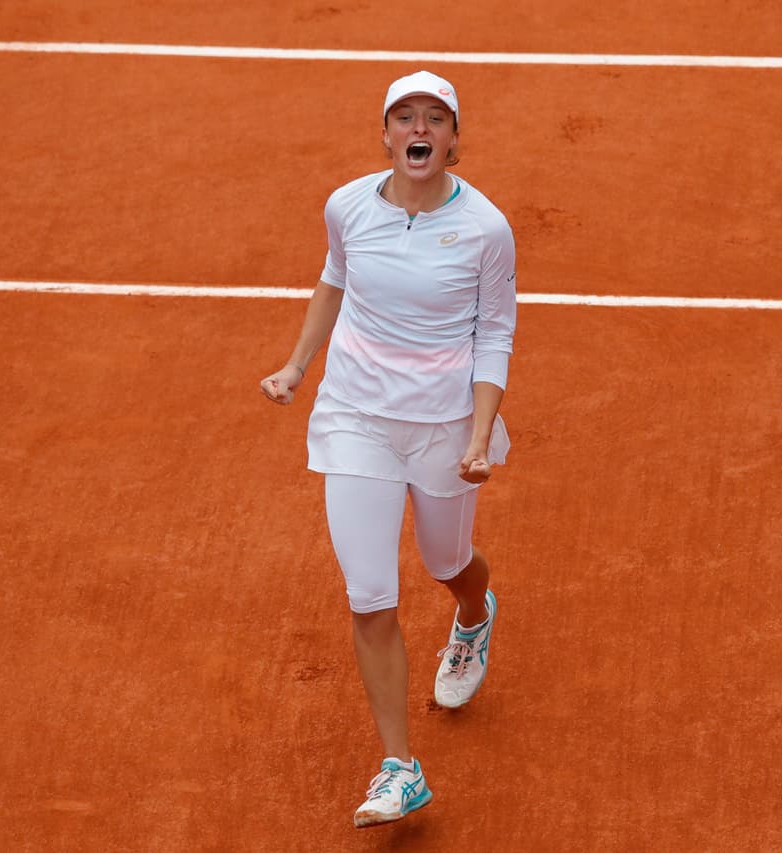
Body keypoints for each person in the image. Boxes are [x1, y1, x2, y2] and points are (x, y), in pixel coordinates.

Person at [259, 70, 517, 828]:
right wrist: (298, 367)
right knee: (369, 594)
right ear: (385, 133)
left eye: (436, 118)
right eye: (405, 116)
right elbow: (332, 280)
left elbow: (495, 333)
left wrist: (477, 435)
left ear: (453, 140)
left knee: (446, 563)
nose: (420, 128)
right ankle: (400, 767)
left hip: (442, 427)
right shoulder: (347, 205)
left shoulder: (486, 229)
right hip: (355, 417)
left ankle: (473, 613)